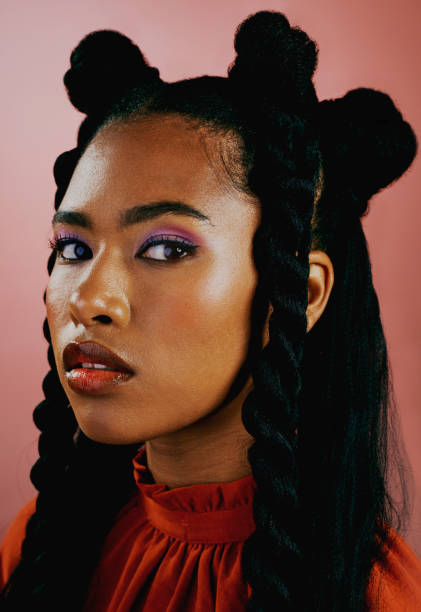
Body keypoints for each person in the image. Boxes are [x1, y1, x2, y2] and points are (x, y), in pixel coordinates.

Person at [0, 9, 420, 612]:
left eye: (166, 248)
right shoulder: (47, 540)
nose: (89, 300)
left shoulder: (372, 597)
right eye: (73, 248)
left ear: (298, 294)